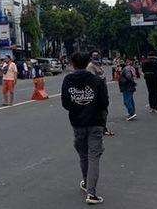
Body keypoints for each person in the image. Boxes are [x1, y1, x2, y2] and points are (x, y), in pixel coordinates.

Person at [61, 52, 109, 205]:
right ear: (88, 63)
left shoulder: (68, 79)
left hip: (77, 123)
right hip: (95, 122)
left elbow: (65, 103)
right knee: (93, 156)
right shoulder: (96, 80)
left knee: (83, 155)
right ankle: (91, 193)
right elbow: (104, 103)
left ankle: (86, 181)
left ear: (72, 64)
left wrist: (77, 108)